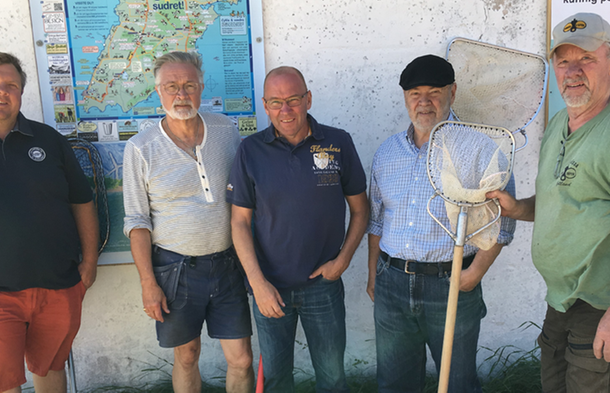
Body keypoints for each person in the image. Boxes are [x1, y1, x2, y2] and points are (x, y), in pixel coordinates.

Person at [488, 13, 610, 392]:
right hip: (560, 302)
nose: (572, 70)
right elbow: (562, 198)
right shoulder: (558, 125)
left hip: (600, 305)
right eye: (563, 59)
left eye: (586, 58)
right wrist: (517, 208)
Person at [0, 50, 98, 393]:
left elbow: (82, 200)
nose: (1, 90)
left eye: (11, 84)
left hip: (59, 286)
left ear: (21, 92)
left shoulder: (49, 140)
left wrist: (89, 262)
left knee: (51, 370)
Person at [367, 54, 516, 393]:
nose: (424, 102)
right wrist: (373, 272)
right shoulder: (387, 153)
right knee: (394, 383)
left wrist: (473, 275)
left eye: (434, 92)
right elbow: (376, 221)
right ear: (405, 97)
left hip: (450, 283)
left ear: (453, 92)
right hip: (391, 284)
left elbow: (503, 224)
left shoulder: (479, 150)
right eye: (415, 93)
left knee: (458, 382)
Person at [227, 66, 369, 392]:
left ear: (308, 99)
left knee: (333, 378)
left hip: (323, 285)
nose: (285, 110)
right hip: (270, 289)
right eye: (276, 102)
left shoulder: (337, 142)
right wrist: (257, 283)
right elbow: (239, 222)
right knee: (277, 380)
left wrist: (343, 261)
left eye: (293, 99)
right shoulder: (250, 151)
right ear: (265, 105)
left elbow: (361, 210)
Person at [123, 51, 253, 393]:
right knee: (187, 356)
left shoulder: (226, 130)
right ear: (158, 91)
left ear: (201, 87)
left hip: (227, 265)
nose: (181, 94)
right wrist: (148, 283)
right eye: (172, 86)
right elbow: (137, 222)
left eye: (189, 85)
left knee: (241, 358)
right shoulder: (141, 148)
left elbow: (244, 195)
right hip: (175, 269)